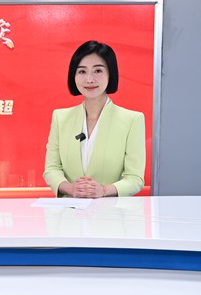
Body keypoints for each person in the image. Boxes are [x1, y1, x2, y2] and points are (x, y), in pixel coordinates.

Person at [43, 40, 145, 198]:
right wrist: (71, 189)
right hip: (70, 210)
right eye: (82, 71)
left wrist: (103, 190)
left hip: (112, 210)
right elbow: (51, 169)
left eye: (98, 71)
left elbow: (135, 179)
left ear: (110, 73)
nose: (89, 79)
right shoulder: (60, 118)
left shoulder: (132, 120)